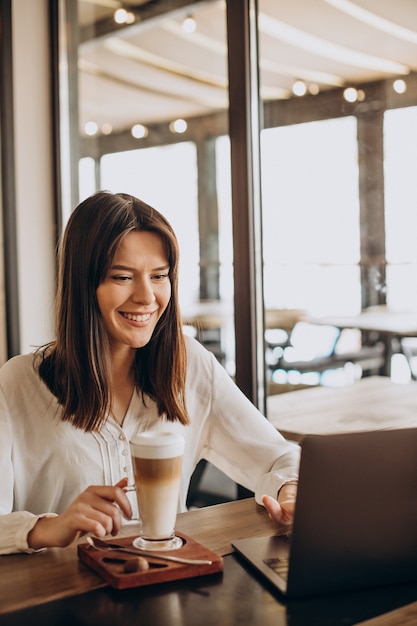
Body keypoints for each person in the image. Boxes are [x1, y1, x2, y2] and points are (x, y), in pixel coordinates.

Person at [0, 191, 299, 555]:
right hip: (61, 596)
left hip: (172, 583)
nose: (147, 296)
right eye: (123, 277)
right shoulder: (16, 384)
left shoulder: (190, 364)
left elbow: (278, 457)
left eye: (159, 276)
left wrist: (289, 490)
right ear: (83, 285)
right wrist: (46, 528)